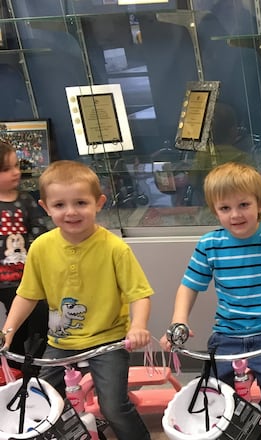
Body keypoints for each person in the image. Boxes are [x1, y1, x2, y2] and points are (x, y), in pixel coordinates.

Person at [159, 162, 261, 440]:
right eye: (225, 208)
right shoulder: (209, 244)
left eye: (244, 204)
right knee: (215, 404)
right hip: (226, 337)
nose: (235, 214)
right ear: (215, 211)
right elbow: (189, 286)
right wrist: (179, 320)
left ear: (259, 204)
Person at [1, 160, 154, 440]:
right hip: (60, 342)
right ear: (46, 207)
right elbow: (27, 295)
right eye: (59, 205)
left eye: (81, 203)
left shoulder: (114, 249)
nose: (71, 212)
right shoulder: (41, 248)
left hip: (108, 340)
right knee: (43, 401)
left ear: (99, 203)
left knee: (113, 406)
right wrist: (6, 333)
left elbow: (139, 294)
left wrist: (138, 326)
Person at [0, 140, 49, 366]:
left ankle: (29, 368)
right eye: (7, 168)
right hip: (3, 278)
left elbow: (40, 234)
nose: (16, 173)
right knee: (12, 332)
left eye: (17, 166)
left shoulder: (25, 200)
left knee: (33, 325)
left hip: (23, 279)